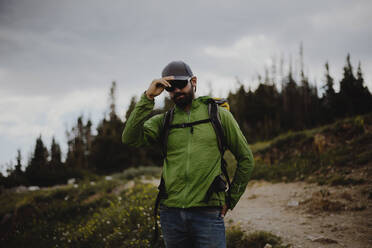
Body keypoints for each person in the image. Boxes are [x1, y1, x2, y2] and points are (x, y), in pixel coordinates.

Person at [122, 61, 254, 248]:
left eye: (181, 85)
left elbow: (246, 158)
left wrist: (231, 198)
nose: (176, 91)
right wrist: (148, 97)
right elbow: (129, 138)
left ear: (193, 81)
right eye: (171, 88)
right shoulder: (164, 121)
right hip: (171, 214)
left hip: (207, 213)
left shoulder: (218, 115)